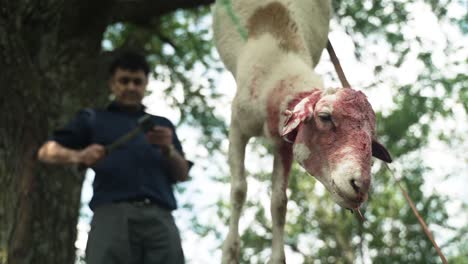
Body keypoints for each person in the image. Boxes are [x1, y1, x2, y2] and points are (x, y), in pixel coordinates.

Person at [37, 50, 191, 264]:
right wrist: (79, 155)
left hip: (160, 219)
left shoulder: (163, 125)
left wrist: (168, 149)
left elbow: (182, 174)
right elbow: (46, 151)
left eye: (137, 82)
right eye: (124, 80)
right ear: (112, 84)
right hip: (111, 216)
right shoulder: (93, 118)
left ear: (146, 84)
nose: (131, 87)